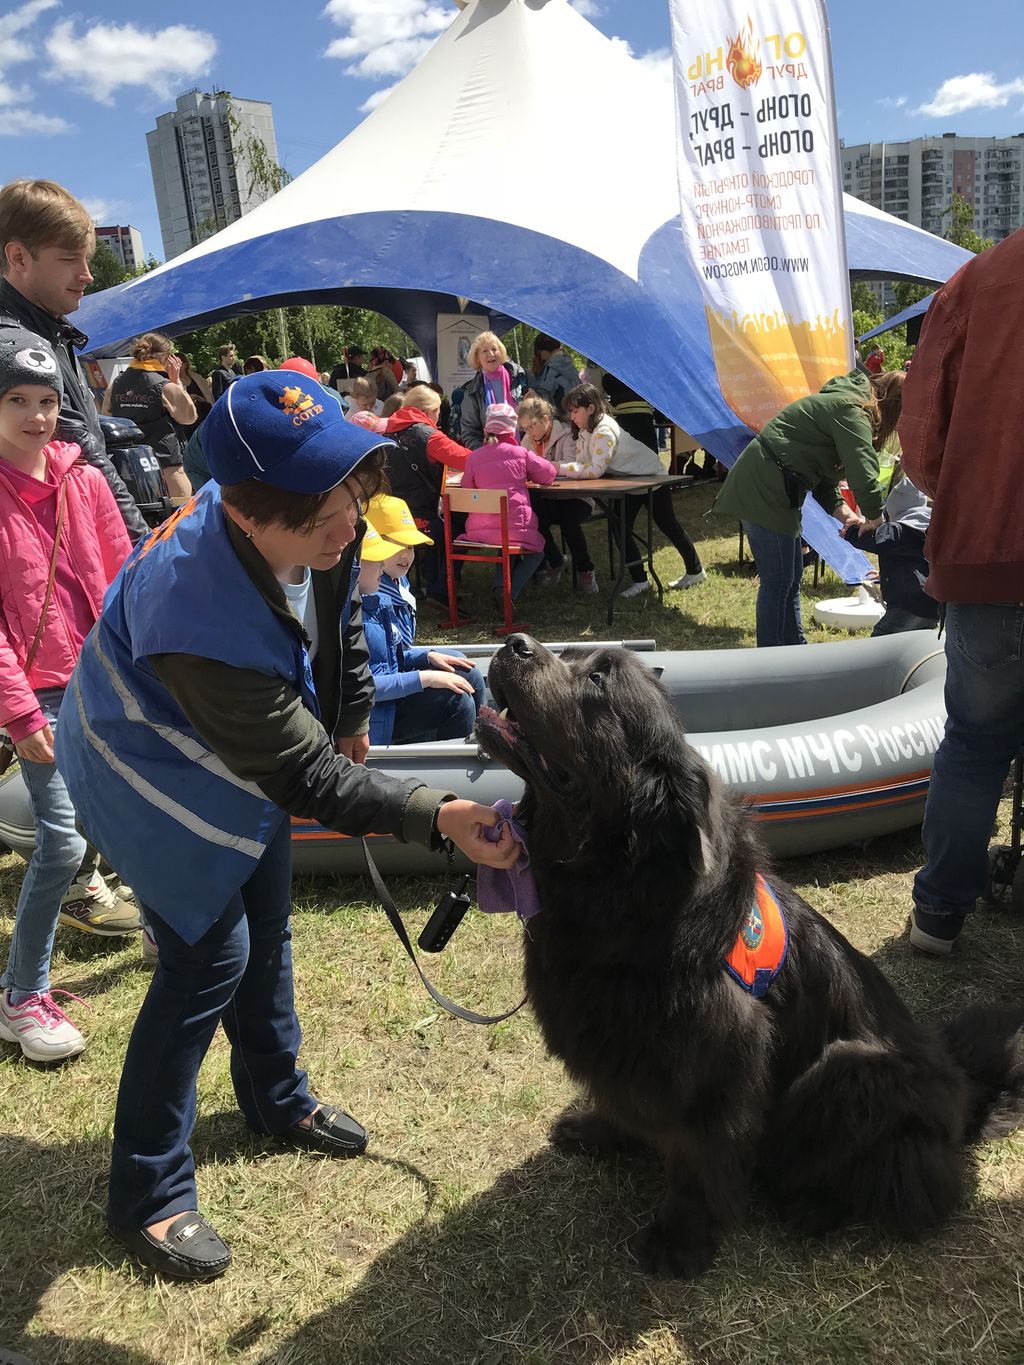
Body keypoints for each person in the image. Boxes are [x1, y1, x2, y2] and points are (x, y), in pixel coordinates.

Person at [55, 370, 519, 1281]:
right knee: (208, 957)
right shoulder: (193, 610)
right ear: (246, 516)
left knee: (268, 919)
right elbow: (303, 774)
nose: (349, 524)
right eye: (322, 518)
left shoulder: (320, 506)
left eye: (351, 489)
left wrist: (348, 714)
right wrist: (440, 815)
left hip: (235, 746)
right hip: (141, 761)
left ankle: (276, 1098)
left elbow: (340, 614)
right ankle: (147, 1191)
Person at [0, 329, 135, 1063]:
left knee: (124, 809)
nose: (36, 414)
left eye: (47, 399)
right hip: (37, 694)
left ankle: (163, 925)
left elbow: (120, 574)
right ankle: (22, 994)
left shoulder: (82, 477)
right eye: (17, 399)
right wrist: (19, 714)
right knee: (62, 841)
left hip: (102, 680)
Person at [897, 228, 1024, 955]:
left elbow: (920, 440)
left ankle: (939, 918)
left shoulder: (976, 282)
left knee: (974, 746)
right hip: (983, 552)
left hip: (986, 561)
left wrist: (971, 496)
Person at [0, 178, 147, 543]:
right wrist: (146, 546)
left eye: (86, 259)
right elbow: (80, 447)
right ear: (18, 257)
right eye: (68, 259)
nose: (87, 274)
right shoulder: (17, 345)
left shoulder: (48, 330)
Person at [713, 370, 902, 646]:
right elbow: (864, 471)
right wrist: (875, 516)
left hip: (778, 485)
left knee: (791, 577)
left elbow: (823, 473)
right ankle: (772, 659)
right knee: (778, 580)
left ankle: (795, 651)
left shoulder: (848, 404)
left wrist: (844, 512)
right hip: (765, 486)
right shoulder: (853, 411)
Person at [562, 383, 706, 599]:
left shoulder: (604, 430)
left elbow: (594, 470)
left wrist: (557, 468)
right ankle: (640, 579)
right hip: (629, 481)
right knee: (619, 527)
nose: (572, 417)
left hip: (651, 477)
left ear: (590, 408)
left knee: (667, 524)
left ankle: (695, 571)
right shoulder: (586, 431)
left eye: (575, 411)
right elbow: (583, 464)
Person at [359, 519, 484, 744]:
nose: (381, 567)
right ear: (353, 567)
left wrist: (426, 656)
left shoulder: (373, 603)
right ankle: (458, 763)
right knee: (457, 701)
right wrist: (425, 678)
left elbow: (391, 659)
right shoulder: (352, 617)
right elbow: (365, 685)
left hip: (387, 705)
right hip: (376, 719)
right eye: (374, 560)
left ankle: (482, 739)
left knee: (468, 674)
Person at [383, 383, 471, 607]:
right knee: (460, 532)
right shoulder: (429, 436)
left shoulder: (386, 430)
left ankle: (429, 586)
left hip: (389, 516)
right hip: (419, 517)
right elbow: (468, 460)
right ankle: (440, 590)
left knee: (439, 529)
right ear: (431, 410)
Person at [460, 402, 556, 604]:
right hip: (515, 527)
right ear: (512, 429)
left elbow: (466, 489)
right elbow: (549, 474)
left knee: (504, 546)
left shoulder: (474, 458)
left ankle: (499, 586)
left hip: (479, 530)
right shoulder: (520, 453)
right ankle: (508, 595)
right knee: (537, 551)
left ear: (486, 429)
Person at [842, 462, 938, 637]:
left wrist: (851, 532)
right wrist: (885, 574)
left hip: (908, 605)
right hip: (930, 604)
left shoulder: (901, 530)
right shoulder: (924, 528)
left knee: (882, 640)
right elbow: (913, 563)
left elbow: (877, 540)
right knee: (913, 643)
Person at [518, 395, 598, 593]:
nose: (528, 432)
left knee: (570, 524)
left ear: (546, 419)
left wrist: (543, 469)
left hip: (576, 497)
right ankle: (555, 560)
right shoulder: (528, 439)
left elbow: (573, 465)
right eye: (525, 428)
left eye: (532, 426)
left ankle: (585, 570)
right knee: (531, 520)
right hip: (548, 498)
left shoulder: (568, 436)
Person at [105, 333, 196, 502]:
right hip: (166, 463)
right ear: (165, 357)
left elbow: (107, 417)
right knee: (179, 515)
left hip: (130, 467)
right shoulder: (165, 386)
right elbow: (189, 417)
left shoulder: (115, 383)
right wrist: (177, 382)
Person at [458, 331, 527, 450]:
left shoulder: (521, 377)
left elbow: (542, 409)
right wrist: (487, 454)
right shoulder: (471, 392)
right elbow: (469, 433)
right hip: (492, 458)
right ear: (477, 358)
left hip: (526, 451)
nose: (491, 354)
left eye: (494, 349)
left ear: (501, 352)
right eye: (484, 351)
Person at [528, 334, 581, 412]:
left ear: (544, 352)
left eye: (539, 354)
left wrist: (535, 395)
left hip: (561, 417)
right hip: (575, 412)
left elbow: (545, 397)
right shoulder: (567, 363)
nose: (541, 358)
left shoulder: (552, 367)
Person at [175, 354, 212, 436]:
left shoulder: (197, 378)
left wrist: (199, 398)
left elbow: (208, 397)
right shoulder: (172, 381)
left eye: (178, 364)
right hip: (186, 421)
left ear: (185, 365)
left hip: (202, 417)